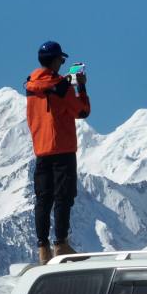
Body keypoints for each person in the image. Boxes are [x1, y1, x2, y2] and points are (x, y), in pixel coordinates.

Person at [25, 41, 90, 265]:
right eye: (61, 60)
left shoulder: (31, 85)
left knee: (43, 199)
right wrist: (81, 87)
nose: (62, 64)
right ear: (54, 61)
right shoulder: (61, 86)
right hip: (62, 148)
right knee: (63, 197)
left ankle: (42, 248)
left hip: (42, 149)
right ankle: (61, 244)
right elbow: (82, 111)